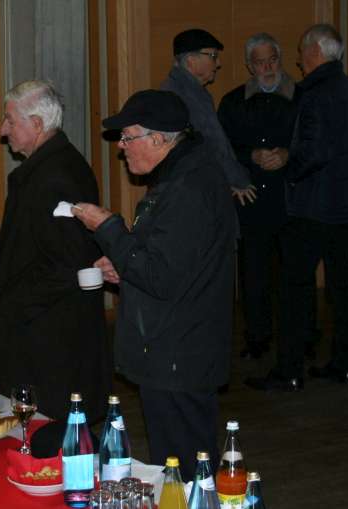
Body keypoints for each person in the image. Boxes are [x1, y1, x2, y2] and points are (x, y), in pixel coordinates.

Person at [72, 90, 237, 481]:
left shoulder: (188, 188)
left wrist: (108, 227)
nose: (121, 147)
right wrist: (124, 266)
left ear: (159, 138)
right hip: (175, 347)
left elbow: (161, 277)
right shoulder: (181, 177)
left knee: (186, 470)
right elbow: (170, 262)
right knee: (178, 465)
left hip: (180, 353)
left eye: (128, 137)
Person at [246, 24, 348, 392]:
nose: (298, 59)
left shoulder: (313, 93)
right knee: (342, 288)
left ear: (315, 52)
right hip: (344, 206)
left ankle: (289, 370)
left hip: (311, 208)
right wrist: (346, 164)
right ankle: (344, 364)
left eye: (301, 51)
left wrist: (287, 166)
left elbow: (312, 151)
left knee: (293, 289)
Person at [0, 80, 111, 422]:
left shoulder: (55, 177)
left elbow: (67, 264)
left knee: (45, 426)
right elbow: (38, 238)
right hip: (41, 324)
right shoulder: (47, 167)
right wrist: (4, 258)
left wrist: (14, 298)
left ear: (37, 124)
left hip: (47, 334)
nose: (3, 130)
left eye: (10, 120)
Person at [217, 33, 299, 359]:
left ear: (281, 60)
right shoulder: (233, 102)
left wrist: (288, 155)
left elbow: (316, 143)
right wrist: (251, 155)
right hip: (249, 201)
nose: (267, 68)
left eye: (272, 60)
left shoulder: (302, 98)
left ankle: (299, 338)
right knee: (253, 275)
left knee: (294, 274)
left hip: (292, 200)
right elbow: (221, 150)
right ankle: (257, 338)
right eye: (260, 62)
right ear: (249, 66)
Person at [161, 28, 255, 206]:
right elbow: (210, 144)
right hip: (192, 191)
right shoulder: (185, 96)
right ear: (191, 60)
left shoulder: (185, 90)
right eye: (213, 56)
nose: (218, 63)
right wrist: (238, 178)